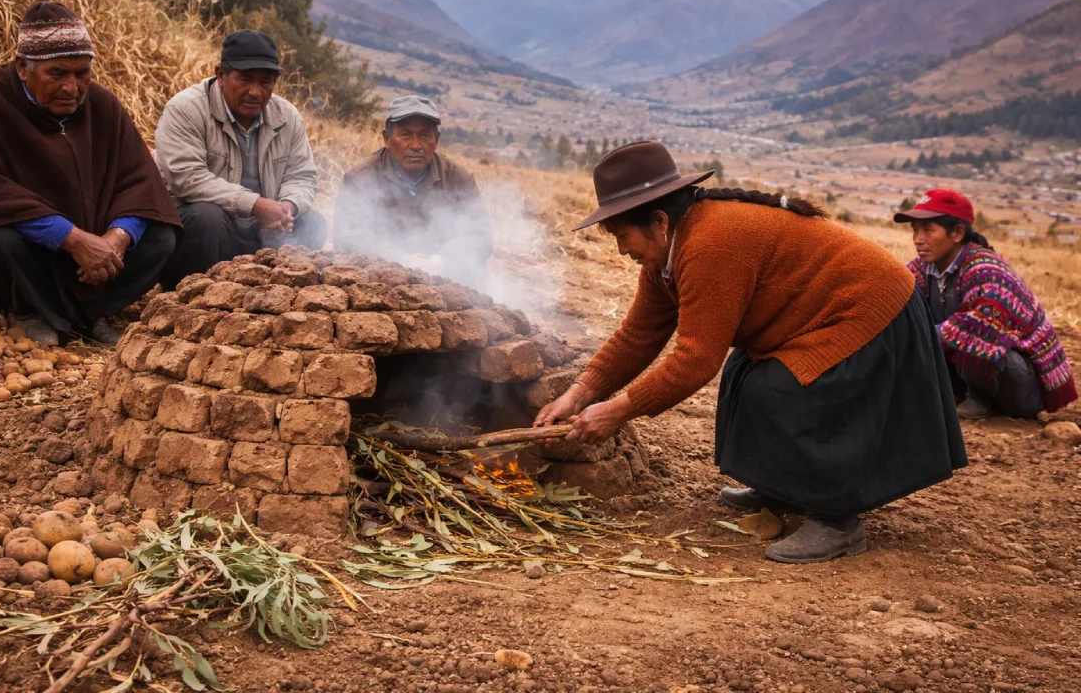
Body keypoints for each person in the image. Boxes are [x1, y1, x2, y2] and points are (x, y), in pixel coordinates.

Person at [533, 142, 967, 564]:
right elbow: (637, 335)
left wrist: (618, 410)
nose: (621, 249)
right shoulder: (667, 254)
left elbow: (694, 361)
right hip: (816, 316)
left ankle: (836, 520)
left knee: (779, 388)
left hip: (871, 312)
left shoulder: (709, 244)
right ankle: (783, 489)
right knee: (745, 373)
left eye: (623, 235)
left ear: (660, 222)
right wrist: (580, 392)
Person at [0, 0, 181, 347]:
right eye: (57, 73)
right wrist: (73, 239)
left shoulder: (102, 105)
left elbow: (139, 182)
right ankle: (29, 309)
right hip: (23, 250)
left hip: (93, 257)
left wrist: (115, 240)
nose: (72, 87)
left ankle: (90, 312)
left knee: (159, 237)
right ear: (22, 67)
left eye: (82, 74)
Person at [155, 30, 325, 288]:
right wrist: (256, 205)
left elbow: (301, 175)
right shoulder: (186, 109)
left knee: (312, 223)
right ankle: (188, 295)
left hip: (262, 234)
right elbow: (186, 178)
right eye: (245, 80)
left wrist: (285, 210)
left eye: (265, 82)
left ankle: (272, 294)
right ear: (221, 75)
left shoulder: (286, 115)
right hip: (209, 236)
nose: (255, 92)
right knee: (206, 218)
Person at [895, 189, 1076, 420]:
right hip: (972, 373)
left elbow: (977, 328)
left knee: (974, 336)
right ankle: (959, 394)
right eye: (915, 231)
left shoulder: (988, 271)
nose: (918, 239)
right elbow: (897, 299)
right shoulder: (922, 269)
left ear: (958, 233)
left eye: (928, 230)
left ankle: (979, 399)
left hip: (1021, 384)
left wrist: (912, 335)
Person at [333, 96, 492, 288]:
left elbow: (479, 235)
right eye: (406, 135)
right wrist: (399, 258)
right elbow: (349, 235)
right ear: (387, 139)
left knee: (474, 272)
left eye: (425, 135)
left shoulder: (458, 177)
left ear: (436, 140)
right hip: (380, 281)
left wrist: (442, 261)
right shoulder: (360, 177)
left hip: (444, 278)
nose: (416, 145)